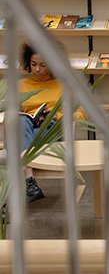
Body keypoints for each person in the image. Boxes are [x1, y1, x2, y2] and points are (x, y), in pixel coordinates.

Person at [17, 42, 86, 203]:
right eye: (33, 64)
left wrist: (56, 116)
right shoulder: (20, 86)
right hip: (26, 129)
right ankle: (29, 181)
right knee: (19, 122)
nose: (37, 69)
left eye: (43, 65)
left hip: (52, 130)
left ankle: (21, 187)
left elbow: (81, 114)